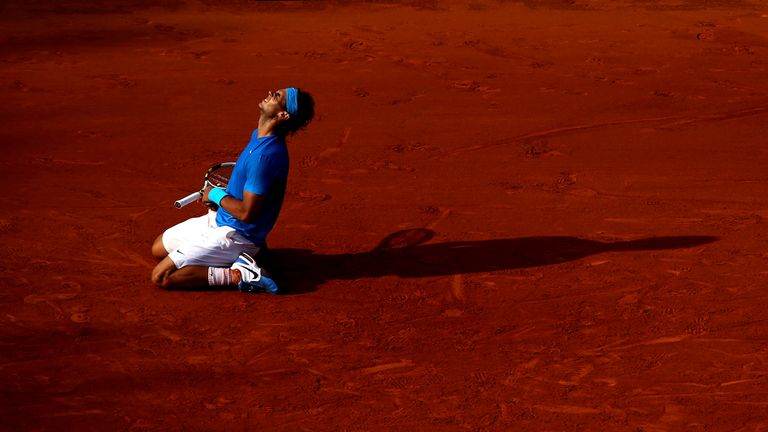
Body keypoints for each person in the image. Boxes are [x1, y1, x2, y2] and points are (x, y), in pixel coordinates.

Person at [150, 88, 314, 293]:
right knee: (158, 248)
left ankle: (240, 274)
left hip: (236, 235)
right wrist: (220, 199)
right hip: (221, 219)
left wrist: (216, 195)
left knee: (163, 276)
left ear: (283, 115)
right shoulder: (260, 136)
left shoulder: (264, 157)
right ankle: (256, 255)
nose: (271, 92)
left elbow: (247, 213)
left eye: (278, 96)